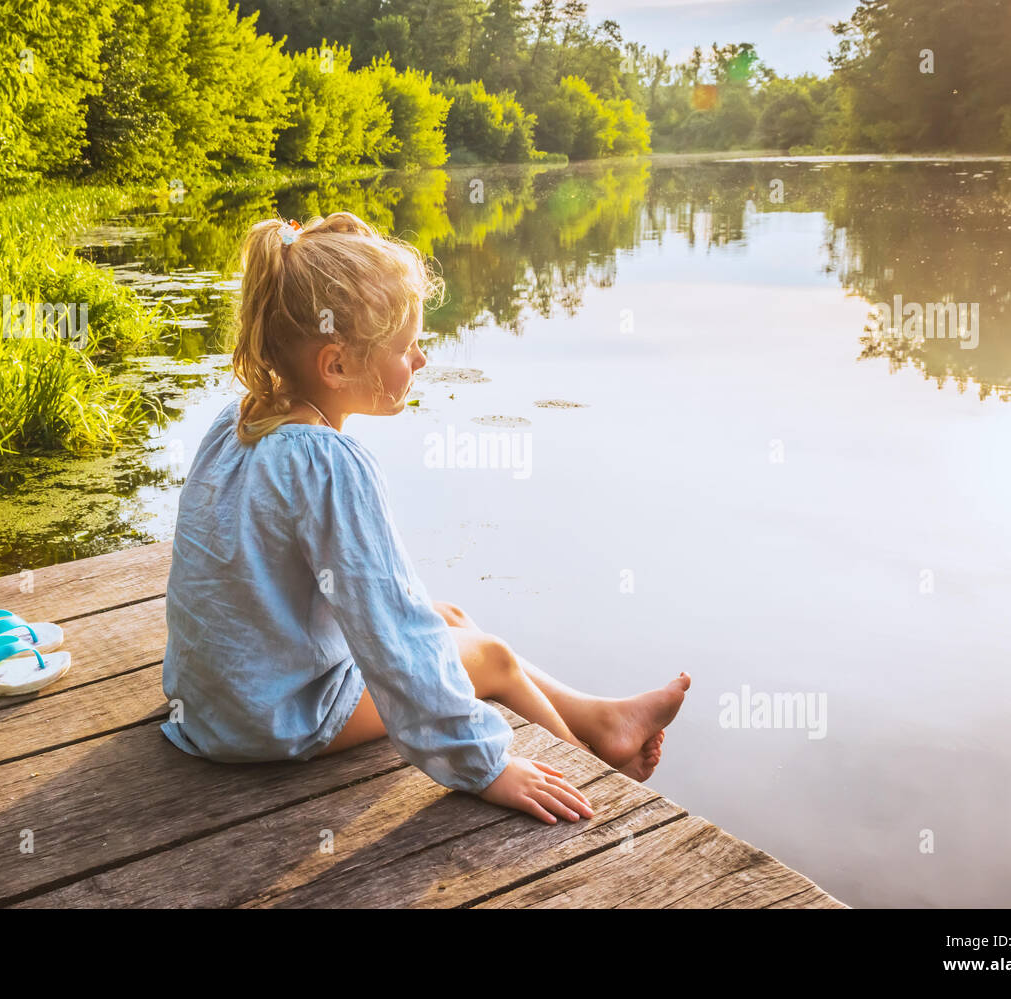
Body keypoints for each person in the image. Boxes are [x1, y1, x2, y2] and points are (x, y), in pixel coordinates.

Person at [161, 211, 689, 826]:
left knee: (452, 617)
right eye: (405, 346)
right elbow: (395, 637)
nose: (422, 357)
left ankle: (601, 718)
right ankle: (593, 775)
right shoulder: (329, 464)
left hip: (211, 706)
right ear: (335, 365)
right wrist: (486, 767)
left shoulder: (236, 422)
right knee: (490, 656)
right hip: (273, 721)